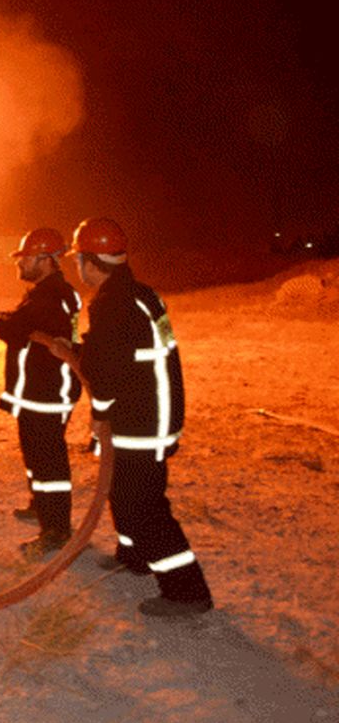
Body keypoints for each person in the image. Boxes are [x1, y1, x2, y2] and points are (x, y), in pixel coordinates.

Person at [69, 216, 213, 617]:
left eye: (79, 259)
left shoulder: (110, 302)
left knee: (143, 505)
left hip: (140, 420)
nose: (77, 268)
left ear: (91, 261)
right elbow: (124, 353)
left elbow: (107, 372)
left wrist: (99, 414)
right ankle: (133, 557)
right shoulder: (142, 295)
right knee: (123, 491)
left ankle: (186, 591)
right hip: (156, 411)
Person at [0, 228, 83, 559]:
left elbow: (13, 329)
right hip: (43, 391)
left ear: (44, 260)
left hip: (47, 393)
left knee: (48, 463)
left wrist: (5, 323)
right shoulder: (54, 293)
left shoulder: (47, 297)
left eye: (25, 258)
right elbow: (23, 322)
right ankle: (40, 506)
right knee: (38, 456)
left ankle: (55, 530)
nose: (19, 264)